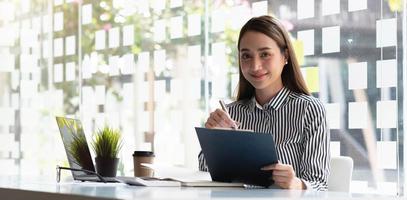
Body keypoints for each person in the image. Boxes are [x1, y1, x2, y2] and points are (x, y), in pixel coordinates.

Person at [198, 15, 330, 191]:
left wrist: (296, 184)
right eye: (246, 56)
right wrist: (214, 137)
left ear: (285, 56)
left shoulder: (309, 109)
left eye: (265, 54)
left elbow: (319, 185)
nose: (255, 66)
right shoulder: (232, 113)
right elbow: (204, 172)